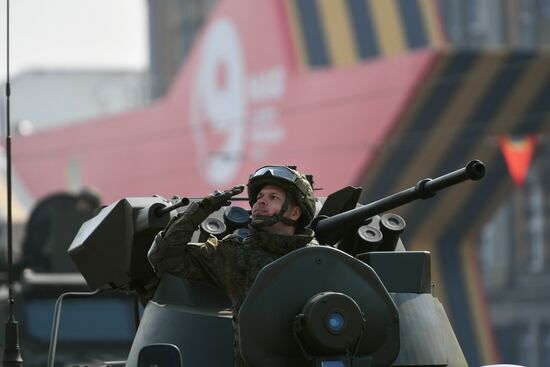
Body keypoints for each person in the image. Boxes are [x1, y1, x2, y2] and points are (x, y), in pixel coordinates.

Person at [147, 165, 319, 366]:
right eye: (260, 196)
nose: (260, 201)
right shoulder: (234, 254)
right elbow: (165, 255)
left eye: (273, 197)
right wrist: (202, 209)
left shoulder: (319, 258)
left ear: (294, 212)